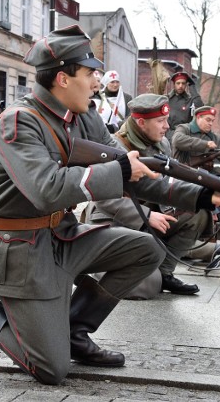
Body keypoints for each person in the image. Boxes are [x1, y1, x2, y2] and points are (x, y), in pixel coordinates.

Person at [0, 25, 220, 385]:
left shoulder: (83, 117)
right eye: (90, 73)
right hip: (17, 250)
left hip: (60, 235)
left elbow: (136, 174)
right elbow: (47, 190)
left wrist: (206, 195)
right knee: (51, 370)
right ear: (63, 78)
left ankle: (74, 332)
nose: (97, 82)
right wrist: (120, 168)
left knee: (145, 249)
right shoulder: (18, 122)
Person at [86, 94, 212, 296]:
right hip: (115, 220)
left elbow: (167, 183)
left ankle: (165, 274)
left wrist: (208, 192)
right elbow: (104, 198)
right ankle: (106, 268)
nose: (167, 126)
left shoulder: (162, 144)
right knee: (145, 288)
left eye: (167, 120)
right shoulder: (115, 145)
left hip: (148, 217)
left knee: (197, 214)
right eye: (160, 121)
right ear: (141, 123)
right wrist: (146, 215)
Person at [172, 105, 220, 177]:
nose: (211, 123)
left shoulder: (214, 138)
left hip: (206, 174)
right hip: (183, 172)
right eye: (208, 120)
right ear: (198, 117)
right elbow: (177, 140)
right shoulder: (184, 128)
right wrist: (205, 144)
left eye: (212, 121)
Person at [166, 71, 204, 141]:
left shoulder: (190, 100)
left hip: (185, 137)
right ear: (174, 84)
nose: (180, 86)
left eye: (183, 83)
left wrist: (192, 87)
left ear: (186, 85)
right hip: (168, 137)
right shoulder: (166, 99)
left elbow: (200, 107)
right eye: (178, 83)